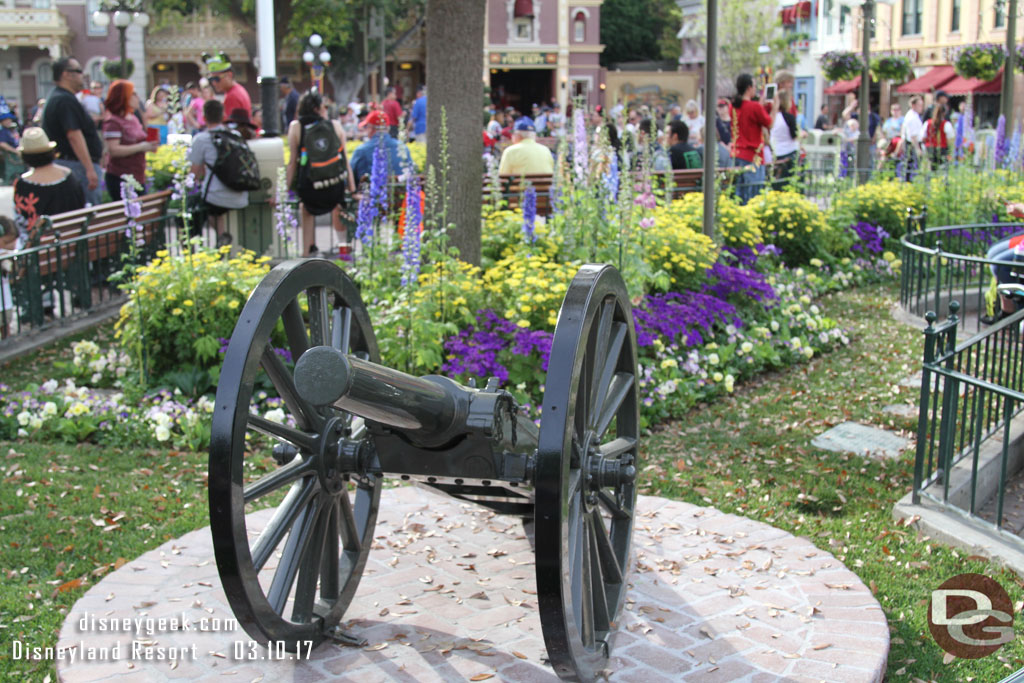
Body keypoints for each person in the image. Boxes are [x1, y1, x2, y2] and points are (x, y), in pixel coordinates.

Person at [286, 90, 355, 253]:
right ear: (318, 108)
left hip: (310, 185)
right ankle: (344, 250)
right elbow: (344, 159)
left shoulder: (296, 127)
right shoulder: (335, 125)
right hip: (334, 185)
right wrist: (351, 187)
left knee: (306, 210)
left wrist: (285, 190)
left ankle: (308, 251)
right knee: (339, 207)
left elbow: (292, 163)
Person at [41, 57, 104, 206]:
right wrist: (89, 169)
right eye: (79, 71)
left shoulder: (62, 97)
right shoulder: (64, 100)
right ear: (66, 74)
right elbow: (73, 135)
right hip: (75, 165)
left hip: (72, 164)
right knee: (87, 214)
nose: (83, 76)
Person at [12, 128, 86, 243]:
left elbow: (22, 224)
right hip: (75, 244)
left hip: (42, 252)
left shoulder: (23, 184)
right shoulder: (69, 176)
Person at [188, 99, 249, 238]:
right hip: (241, 192)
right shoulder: (236, 136)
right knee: (214, 210)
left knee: (198, 210)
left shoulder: (201, 139)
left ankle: (194, 245)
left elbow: (193, 175)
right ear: (223, 116)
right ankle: (222, 239)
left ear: (203, 118)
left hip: (216, 196)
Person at [102, 80, 158, 201]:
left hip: (138, 175)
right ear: (123, 97)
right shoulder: (113, 122)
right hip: (121, 178)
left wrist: (150, 144)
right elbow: (113, 150)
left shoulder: (133, 118)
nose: (137, 97)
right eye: (134, 94)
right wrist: (141, 147)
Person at [729, 73, 773, 204]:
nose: (755, 89)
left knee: (739, 193)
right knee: (753, 195)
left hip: (737, 153)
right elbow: (770, 123)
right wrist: (774, 108)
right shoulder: (754, 107)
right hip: (753, 156)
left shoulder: (734, 106)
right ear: (749, 87)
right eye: (754, 86)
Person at [349, 110, 414, 182]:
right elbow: (411, 173)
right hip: (402, 191)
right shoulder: (403, 148)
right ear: (388, 128)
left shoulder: (362, 151)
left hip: (372, 191)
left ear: (371, 129)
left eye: (366, 127)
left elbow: (350, 177)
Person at [205, 52, 251, 120]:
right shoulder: (237, 90)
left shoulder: (232, 96)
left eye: (217, 79)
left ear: (229, 75)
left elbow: (229, 125)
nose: (214, 83)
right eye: (211, 79)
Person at [769, 89, 799, 190]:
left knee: (776, 183)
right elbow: (794, 135)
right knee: (789, 182)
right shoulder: (789, 118)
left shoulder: (771, 117)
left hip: (776, 152)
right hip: (789, 152)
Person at [896, 95, 925, 174]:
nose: (921, 107)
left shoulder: (913, 115)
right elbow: (913, 136)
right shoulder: (912, 117)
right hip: (912, 144)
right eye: (919, 105)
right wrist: (917, 149)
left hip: (912, 143)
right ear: (913, 105)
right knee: (912, 166)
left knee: (911, 165)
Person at [923, 102, 954, 168]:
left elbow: (922, 137)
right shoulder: (946, 124)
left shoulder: (927, 123)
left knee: (931, 168)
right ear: (944, 113)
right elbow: (950, 140)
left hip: (929, 150)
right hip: (942, 150)